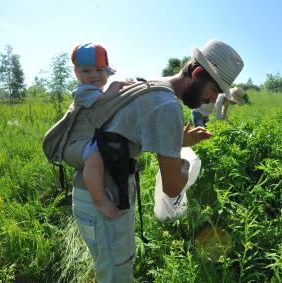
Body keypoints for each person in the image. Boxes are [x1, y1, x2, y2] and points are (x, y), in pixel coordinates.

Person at [70, 39, 244, 282]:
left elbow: (126, 133)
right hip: (105, 197)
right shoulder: (168, 106)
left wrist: (180, 141)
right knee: (115, 275)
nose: (211, 99)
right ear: (195, 73)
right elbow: (173, 188)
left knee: (112, 268)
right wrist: (186, 165)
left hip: (96, 191)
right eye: (214, 90)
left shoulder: (152, 84)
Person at [71, 43, 132, 219]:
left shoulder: (95, 90)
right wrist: (115, 87)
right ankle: (99, 199)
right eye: (86, 71)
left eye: (99, 70)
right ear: (77, 73)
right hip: (81, 139)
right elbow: (102, 102)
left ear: (106, 72)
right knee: (95, 157)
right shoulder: (83, 91)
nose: (94, 75)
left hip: (93, 135)